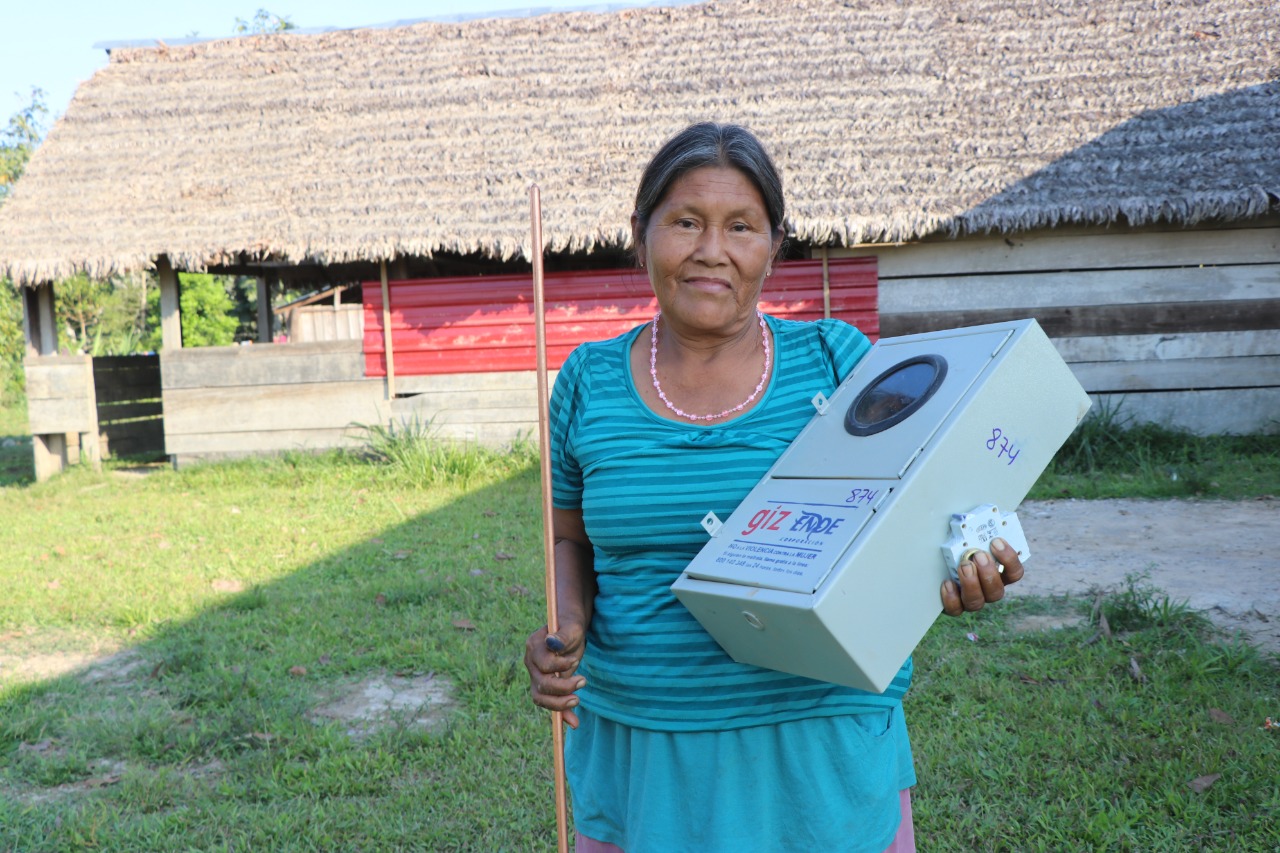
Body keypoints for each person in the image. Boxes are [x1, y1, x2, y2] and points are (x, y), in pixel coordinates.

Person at [524, 122, 1023, 852]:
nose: (711, 250)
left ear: (774, 244)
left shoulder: (837, 361)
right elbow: (568, 536)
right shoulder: (587, 382)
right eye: (685, 222)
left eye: (740, 226)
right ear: (640, 233)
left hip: (816, 740)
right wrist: (565, 625)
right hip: (647, 741)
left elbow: (920, 512)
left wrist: (961, 565)